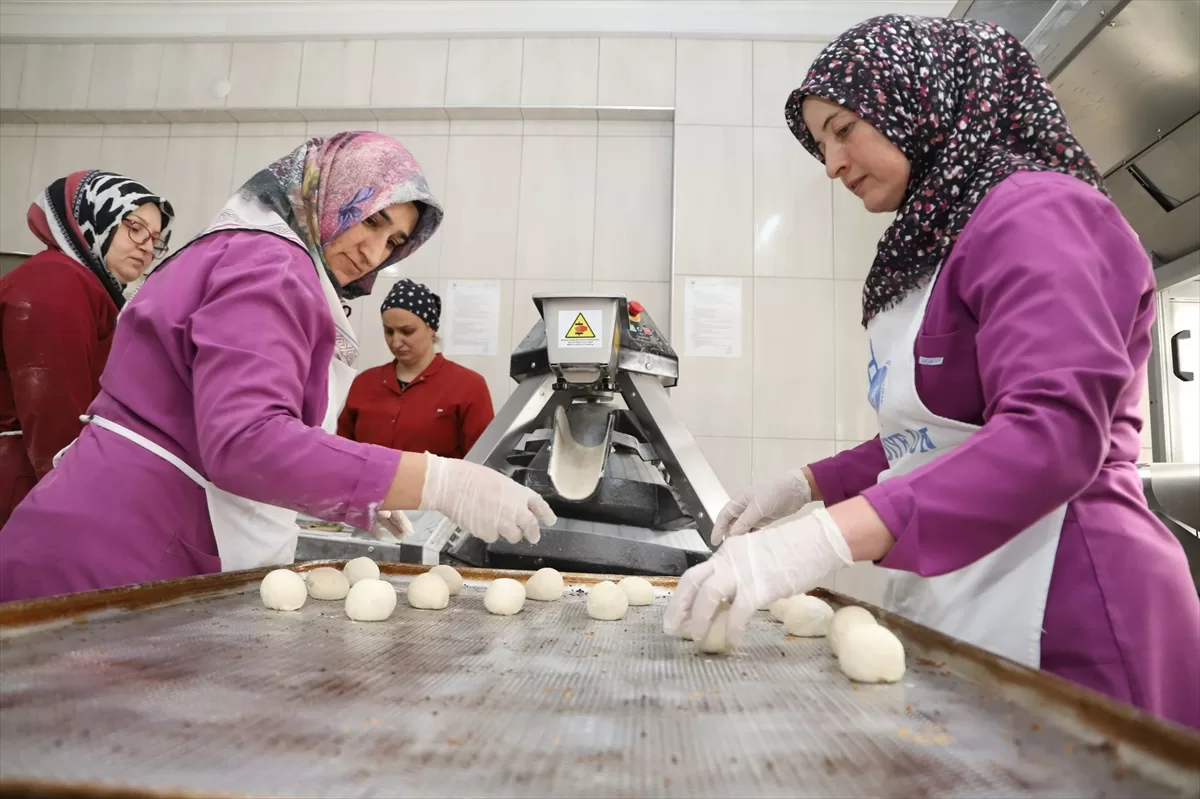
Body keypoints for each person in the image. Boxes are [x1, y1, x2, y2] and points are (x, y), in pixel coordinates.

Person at [664, 15, 1200, 729]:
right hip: (967, 599)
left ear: (919, 100)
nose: (831, 164)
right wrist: (804, 487)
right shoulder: (938, 242)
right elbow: (934, 439)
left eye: (845, 127)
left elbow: (1052, 436)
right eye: (820, 142)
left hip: (1072, 611)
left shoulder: (1041, 212)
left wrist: (821, 539)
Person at [0, 132, 554, 601]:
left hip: (109, 534)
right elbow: (245, 441)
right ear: (328, 191)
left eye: (393, 241)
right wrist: (439, 481)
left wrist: (354, 492)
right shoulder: (270, 265)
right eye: (369, 218)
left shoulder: (242, 248)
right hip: (112, 553)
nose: (372, 252)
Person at [0, 170, 173, 527]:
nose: (146, 245)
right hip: (20, 482)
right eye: (134, 226)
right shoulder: (56, 282)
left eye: (155, 239)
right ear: (95, 217)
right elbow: (52, 407)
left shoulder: (87, 288)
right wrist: (80, 502)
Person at [338, 278, 494, 459]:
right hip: (369, 487)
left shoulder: (468, 386)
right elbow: (342, 451)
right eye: (389, 331)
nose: (395, 342)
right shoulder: (364, 383)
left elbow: (482, 463)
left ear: (431, 329)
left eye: (407, 331)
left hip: (437, 488)